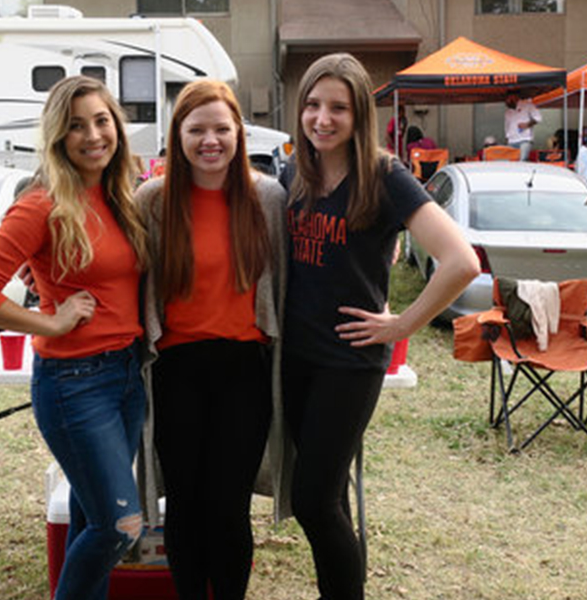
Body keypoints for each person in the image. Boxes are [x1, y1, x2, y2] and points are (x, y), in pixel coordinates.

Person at [279, 53, 480, 600]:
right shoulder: (295, 170)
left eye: (338, 108)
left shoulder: (384, 174)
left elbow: (461, 260)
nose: (322, 118)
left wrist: (401, 325)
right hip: (295, 358)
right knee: (333, 497)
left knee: (312, 499)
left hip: (349, 362)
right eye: (313, 105)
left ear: (359, 114)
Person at [0, 75, 149, 600]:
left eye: (102, 121)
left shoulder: (117, 194)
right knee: (120, 527)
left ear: (117, 126)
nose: (92, 136)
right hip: (75, 383)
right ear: (58, 136)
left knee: (93, 519)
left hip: (126, 377)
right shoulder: (43, 203)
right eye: (76, 126)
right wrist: (50, 320)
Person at [134, 79, 288, 600]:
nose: (210, 140)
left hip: (243, 371)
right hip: (175, 370)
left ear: (239, 133)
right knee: (182, 504)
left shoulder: (266, 197)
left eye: (222, 128)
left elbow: (289, 285)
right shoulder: (152, 201)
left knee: (227, 505)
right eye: (196, 129)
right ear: (177, 134)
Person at [504, 91, 542, 161]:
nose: (506, 102)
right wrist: (507, 139)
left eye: (508, 99)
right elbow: (507, 127)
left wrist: (527, 124)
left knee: (522, 160)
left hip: (524, 139)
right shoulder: (508, 112)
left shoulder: (527, 105)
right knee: (511, 162)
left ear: (514, 97)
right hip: (511, 141)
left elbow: (538, 118)